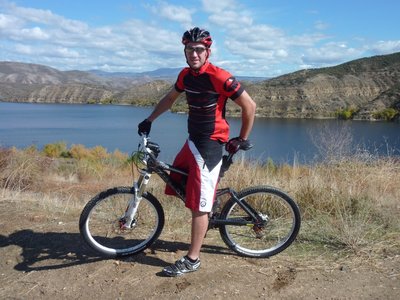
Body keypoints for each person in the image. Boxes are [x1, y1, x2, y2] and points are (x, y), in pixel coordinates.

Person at [138, 27, 256, 277]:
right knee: (176, 179)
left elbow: (250, 105)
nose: (194, 53)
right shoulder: (185, 76)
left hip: (210, 145)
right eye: (189, 49)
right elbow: (170, 99)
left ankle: (193, 259)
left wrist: (242, 138)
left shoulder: (219, 76)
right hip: (193, 141)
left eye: (199, 49)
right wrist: (150, 119)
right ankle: (205, 205)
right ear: (185, 51)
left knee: (199, 206)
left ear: (208, 52)